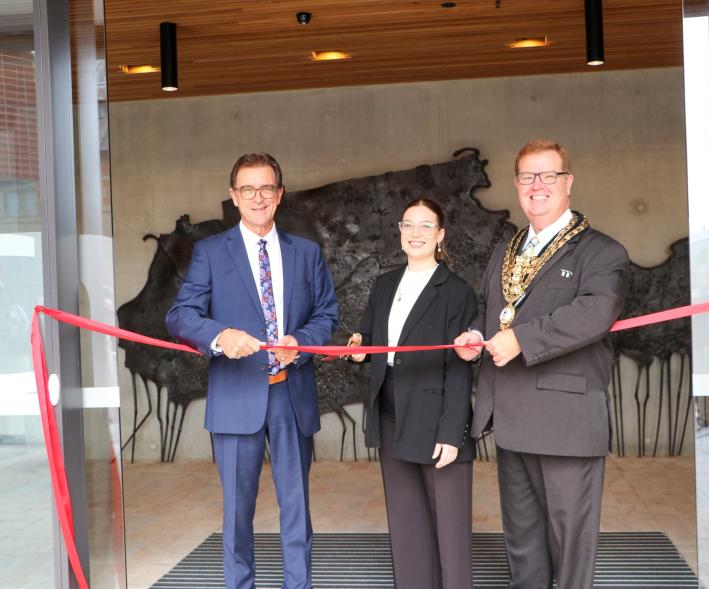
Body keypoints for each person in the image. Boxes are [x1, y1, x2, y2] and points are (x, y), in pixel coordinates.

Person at [454, 140, 629, 589]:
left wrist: (520, 340)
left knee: (571, 545)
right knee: (524, 543)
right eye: (528, 177)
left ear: (568, 182)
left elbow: (594, 314)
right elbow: (491, 308)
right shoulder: (506, 250)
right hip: (511, 415)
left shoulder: (601, 251)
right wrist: (477, 334)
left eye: (548, 175)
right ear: (516, 186)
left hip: (565, 422)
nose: (538, 186)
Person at [166, 152, 338, 589]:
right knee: (237, 513)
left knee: (296, 509)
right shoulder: (209, 252)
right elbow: (180, 315)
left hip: (290, 395)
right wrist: (221, 335)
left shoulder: (306, 253)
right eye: (248, 189)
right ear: (233, 196)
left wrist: (299, 343)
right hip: (236, 397)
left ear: (279, 195)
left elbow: (326, 315)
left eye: (266, 188)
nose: (257, 197)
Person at [347, 198, 477, 589]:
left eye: (426, 226)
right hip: (390, 414)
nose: (415, 233)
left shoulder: (456, 291)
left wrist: (453, 432)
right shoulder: (385, 284)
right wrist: (357, 348)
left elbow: (460, 365)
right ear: (399, 232)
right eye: (408, 225)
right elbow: (369, 338)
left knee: (449, 531)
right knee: (406, 526)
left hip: (437, 419)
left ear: (440, 235)